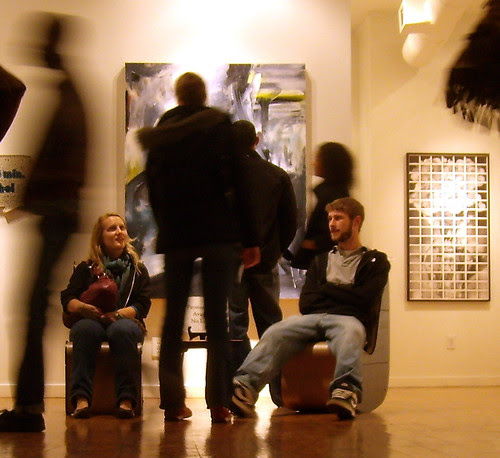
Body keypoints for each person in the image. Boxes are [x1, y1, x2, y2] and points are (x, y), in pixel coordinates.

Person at [137, 72, 260, 423]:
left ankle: (173, 403)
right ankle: (219, 402)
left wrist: (165, 223)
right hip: (218, 233)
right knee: (217, 319)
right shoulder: (220, 126)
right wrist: (250, 238)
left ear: (178, 96)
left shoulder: (162, 130)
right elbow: (240, 182)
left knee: (173, 319)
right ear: (204, 95)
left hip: (178, 234)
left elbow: (153, 186)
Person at [0, 13, 88, 432]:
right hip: (58, 213)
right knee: (32, 310)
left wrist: (29, 198)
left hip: (57, 213)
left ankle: (29, 408)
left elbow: (65, 166)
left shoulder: (68, 99)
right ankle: (28, 405)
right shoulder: (69, 94)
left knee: (32, 310)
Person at [230, 197, 390, 420]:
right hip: (314, 319)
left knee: (350, 332)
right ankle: (245, 387)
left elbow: (364, 299)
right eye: (330, 218)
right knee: (278, 330)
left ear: (356, 221)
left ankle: (346, 391)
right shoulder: (321, 260)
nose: (332, 224)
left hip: (348, 320)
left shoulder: (376, 261)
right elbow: (306, 303)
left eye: (338, 218)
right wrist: (344, 294)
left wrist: (326, 290)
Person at [228, 120, 297, 405]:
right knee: (271, 328)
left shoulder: (223, 177)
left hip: (232, 264)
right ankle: (280, 394)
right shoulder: (277, 176)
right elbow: (290, 222)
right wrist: (275, 252)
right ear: (256, 141)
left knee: (235, 328)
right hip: (266, 263)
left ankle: (239, 390)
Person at [60, 213, 151, 419]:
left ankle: (127, 400)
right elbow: (67, 298)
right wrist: (83, 308)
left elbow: (142, 305)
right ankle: (81, 399)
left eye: (122, 228)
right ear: (100, 237)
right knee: (84, 329)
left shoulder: (138, 269)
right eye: (112, 228)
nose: (119, 232)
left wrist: (116, 314)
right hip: (92, 320)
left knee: (122, 330)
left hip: (125, 320)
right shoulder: (86, 268)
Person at [290, 142, 354, 270]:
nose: (314, 163)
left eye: (318, 159)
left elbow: (335, 232)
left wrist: (313, 243)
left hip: (326, 264)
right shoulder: (330, 192)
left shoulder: (333, 196)